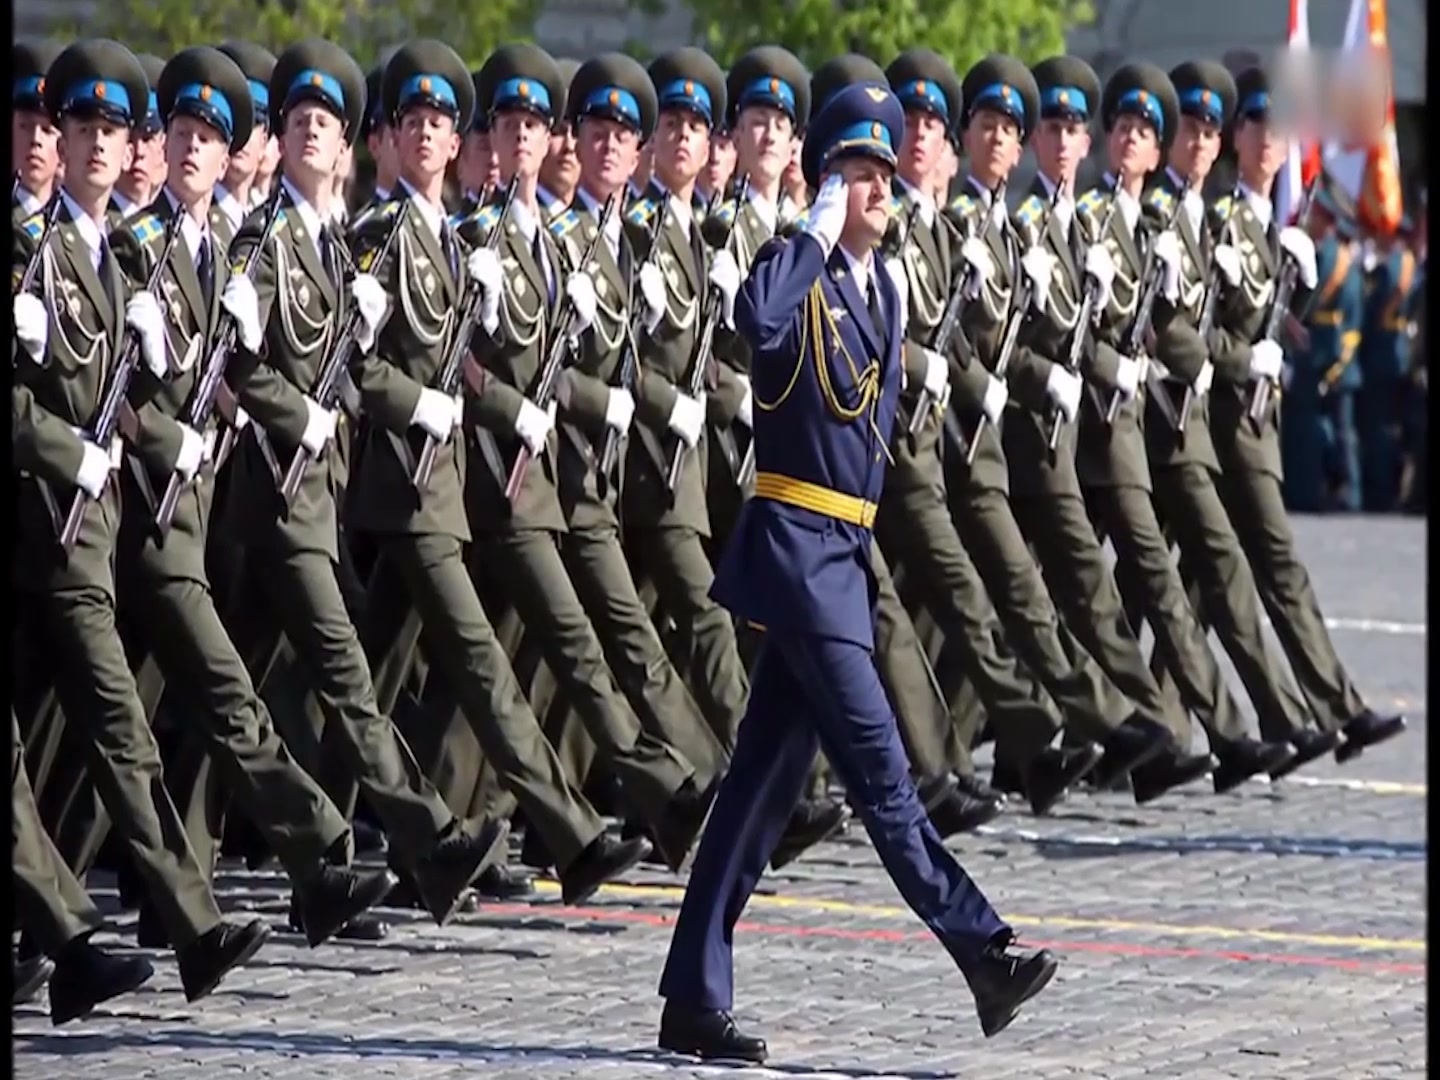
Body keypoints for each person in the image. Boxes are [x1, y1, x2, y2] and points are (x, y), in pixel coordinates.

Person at [656, 82, 1057, 1064]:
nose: (878, 188)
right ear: (823, 182)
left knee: (757, 787)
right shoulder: (797, 277)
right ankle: (984, 952)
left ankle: (691, 998)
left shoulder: (883, 287)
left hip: (843, 557)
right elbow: (751, 322)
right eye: (858, 172)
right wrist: (811, 223)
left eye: (882, 173)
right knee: (883, 774)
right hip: (799, 553)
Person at [12, 36, 268, 1003]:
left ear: (132, 153)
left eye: (104, 129)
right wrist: (61, 441)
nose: (78, 142)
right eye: (71, 123)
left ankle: (133, 937)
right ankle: (148, 932)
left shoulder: (116, 264)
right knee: (102, 734)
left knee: (91, 740)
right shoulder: (31, 254)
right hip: (42, 532)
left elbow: (129, 393)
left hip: (80, 544)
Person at [1206, 67, 1405, 762]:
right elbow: (1195, 331)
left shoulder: (1272, 228)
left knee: (1179, 588)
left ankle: (1141, 727)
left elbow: (1259, 321)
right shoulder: (1218, 222)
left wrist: (1282, 325)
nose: (1269, 140)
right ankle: (1335, 710)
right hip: (1216, 420)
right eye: (1256, 126)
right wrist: (1245, 356)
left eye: (1278, 128)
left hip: (1249, 423)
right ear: (1237, 138)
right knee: (1271, 567)